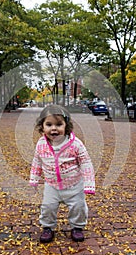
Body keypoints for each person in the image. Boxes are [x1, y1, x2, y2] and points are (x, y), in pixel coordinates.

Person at [30, 104, 95, 243]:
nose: (54, 128)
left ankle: (77, 227)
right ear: (42, 126)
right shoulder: (41, 144)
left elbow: (86, 163)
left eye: (59, 124)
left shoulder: (75, 144)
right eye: (49, 124)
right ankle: (48, 227)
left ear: (66, 125)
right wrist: (34, 179)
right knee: (48, 207)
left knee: (78, 207)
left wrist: (89, 184)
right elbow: (37, 162)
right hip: (51, 185)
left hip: (74, 185)